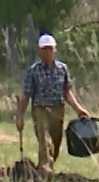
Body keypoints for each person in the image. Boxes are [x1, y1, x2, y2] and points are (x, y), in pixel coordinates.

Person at [15, 33, 93, 171]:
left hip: (58, 109)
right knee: (44, 141)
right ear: (39, 51)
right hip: (40, 109)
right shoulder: (33, 71)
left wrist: (79, 109)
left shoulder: (62, 69)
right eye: (44, 49)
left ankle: (44, 168)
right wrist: (20, 115)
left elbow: (67, 92)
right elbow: (26, 95)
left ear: (55, 50)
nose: (48, 52)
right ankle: (45, 169)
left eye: (50, 49)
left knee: (56, 143)